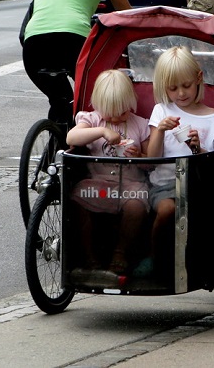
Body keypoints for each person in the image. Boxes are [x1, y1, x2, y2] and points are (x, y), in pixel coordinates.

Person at [22, 0, 131, 123]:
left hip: (33, 46)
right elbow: (127, 15)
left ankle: (57, 136)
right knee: (91, 98)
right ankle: (82, 138)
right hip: (72, 41)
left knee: (60, 99)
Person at [137, 46, 214, 277]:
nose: (180, 93)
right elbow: (153, 158)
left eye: (186, 85)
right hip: (165, 185)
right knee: (168, 209)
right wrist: (159, 131)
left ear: (199, 78)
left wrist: (198, 149)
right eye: (173, 88)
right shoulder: (162, 110)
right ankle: (153, 255)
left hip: (200, 186)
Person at [67, 69, 151, 274]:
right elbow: (71, 138)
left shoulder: (140, 124)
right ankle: (88, 256)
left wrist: (138, 156)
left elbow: (151, 161)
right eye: (109, 113)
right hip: (98, 184)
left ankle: (120, 251)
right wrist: (102, 131)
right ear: (98, 105)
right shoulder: (93, 120)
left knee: (136, 207)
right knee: (76, 199)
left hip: (131, 186)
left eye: (122, 112)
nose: (115, 118)